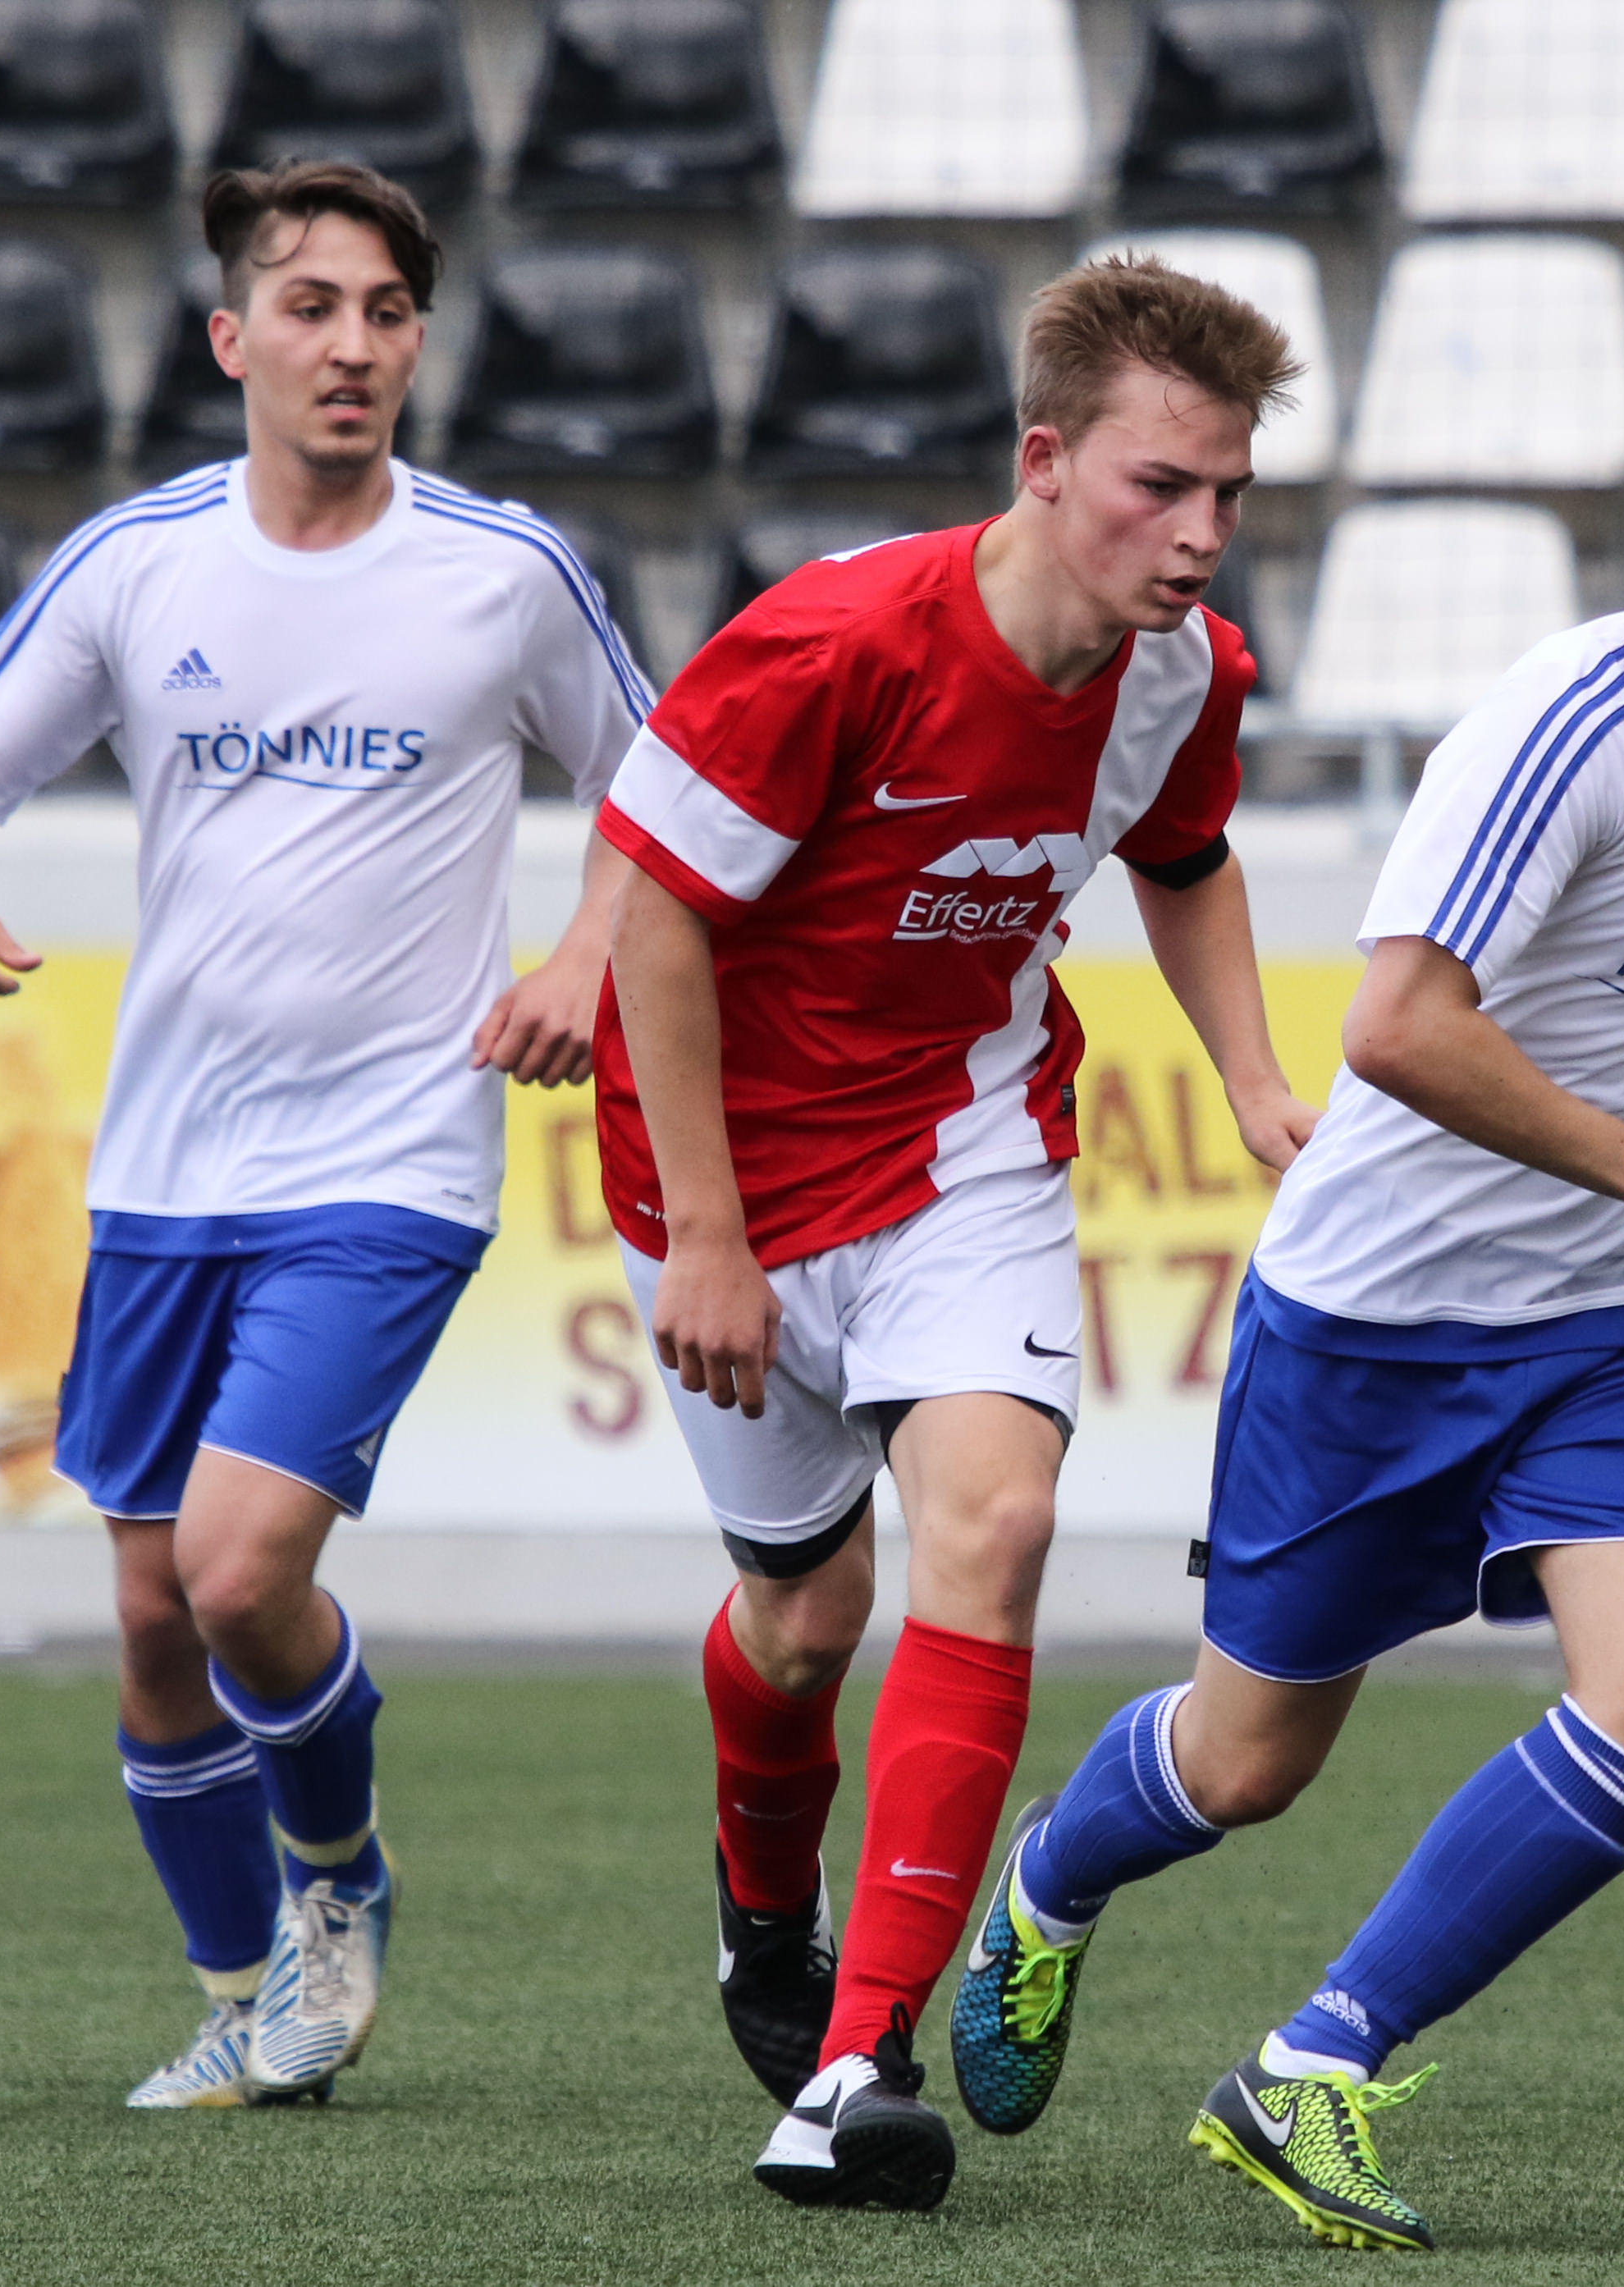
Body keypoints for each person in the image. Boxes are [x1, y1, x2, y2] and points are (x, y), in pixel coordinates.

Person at [936, 356, 1624, 2252]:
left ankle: (1316, 2058)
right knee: (1245, 1761)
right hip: (1374, 1317)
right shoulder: (1572, 723)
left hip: (1610, 1321)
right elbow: (1393, 1026)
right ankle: (1050, 1880)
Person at [0, 162, 648, 2108]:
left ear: (418, 344)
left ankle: (337, 1872)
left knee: (233, 1574)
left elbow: (665, 799)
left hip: (391, 1161)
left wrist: (584, 957)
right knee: (152, 1618)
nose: (350, 344)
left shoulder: (505, 569)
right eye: (309, 306)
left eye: (384, 311)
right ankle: (241, 1997)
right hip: (164, 1167)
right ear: (232, 338)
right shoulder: (138, 562)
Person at [596, 255, 1320, 2214]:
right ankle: (765, 1893)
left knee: (991, 1530)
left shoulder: (1185, 671)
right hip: (718, 1181)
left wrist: (1254, 1079)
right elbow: (656, 922)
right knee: (802, 1618)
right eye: (1160, 485)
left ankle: (856, 2062)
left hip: (963, 1154)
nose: (1200, 533)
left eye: (1229, 491)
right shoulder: (830, 642)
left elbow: (1184, 854)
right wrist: (710, 1239)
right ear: (1043, 460)